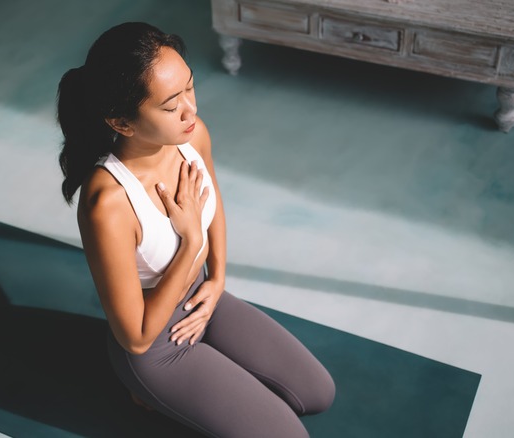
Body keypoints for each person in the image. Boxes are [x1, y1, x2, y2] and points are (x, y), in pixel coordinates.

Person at [56, 22, 335, 438]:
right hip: (155, 347)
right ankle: (144, 390)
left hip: (202, 297)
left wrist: (217, 280)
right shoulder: (108, 203)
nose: (191, 109)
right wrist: (191, 244)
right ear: (123, 122)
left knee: (318, 393)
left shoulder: (192, 137)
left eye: (190, 87)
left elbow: (214, 202)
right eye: (171, 106)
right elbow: (135, 337)